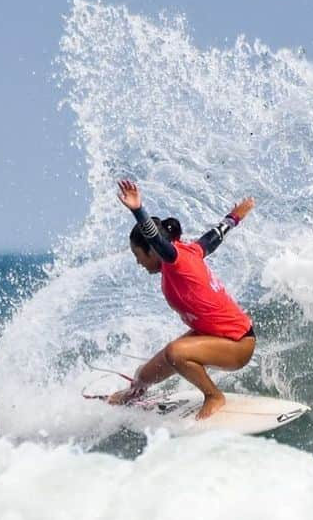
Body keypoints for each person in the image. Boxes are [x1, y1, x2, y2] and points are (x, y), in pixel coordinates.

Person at [109, 179, 256, 419]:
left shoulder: (175, 260)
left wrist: (138, 210)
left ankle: (214, 395)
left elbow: (156, 240)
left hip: (237, 343)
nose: (138, 262)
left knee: (176, 353)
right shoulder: (190, 251)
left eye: (138, 255)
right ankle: (133, 395)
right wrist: (234, 217)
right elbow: (214, 237)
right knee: (143, 375)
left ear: (152, 251)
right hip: (210, 335)